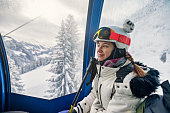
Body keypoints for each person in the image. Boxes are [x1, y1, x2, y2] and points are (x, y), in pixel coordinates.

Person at [59, 19, 160, 113]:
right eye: (98, 45)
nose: (99, 50)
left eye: (105, 46)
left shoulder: (127, 82)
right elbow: (95, 95)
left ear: (119, 50)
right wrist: (78, 110)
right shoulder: (105, 69)